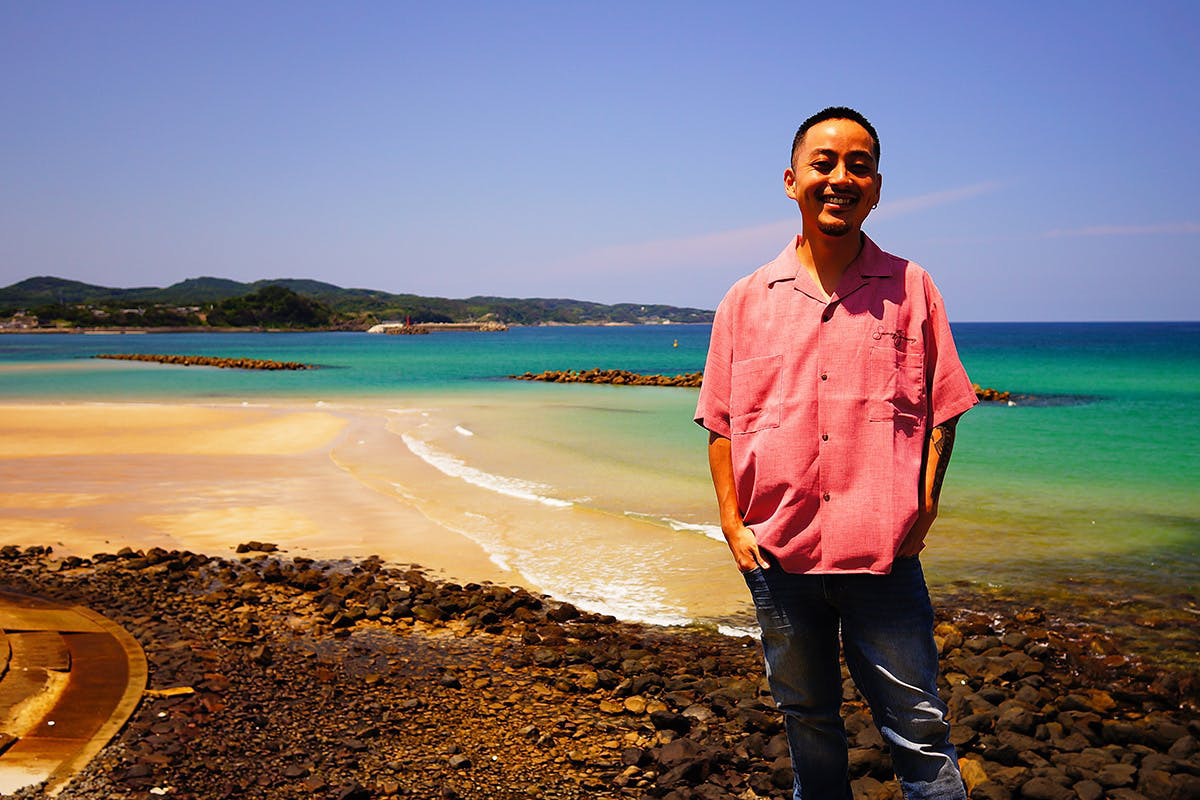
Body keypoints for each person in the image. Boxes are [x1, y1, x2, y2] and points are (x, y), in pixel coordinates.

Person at [694, 107, 977, 799]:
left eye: (859, 165)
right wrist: (731, 522)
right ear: (792, 181)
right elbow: (722, 423)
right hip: (777, 556)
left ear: (877, 188)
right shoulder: (744, 300)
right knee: (807, 719)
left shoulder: (913, 288)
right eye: (823, 163)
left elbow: (943, 407)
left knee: (919, 728)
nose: (840, 177)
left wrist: (927, 505)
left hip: (884, 555)